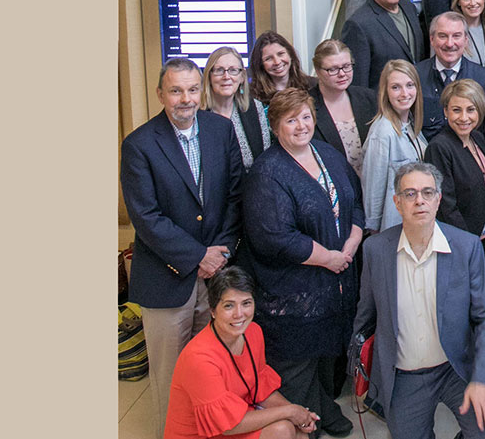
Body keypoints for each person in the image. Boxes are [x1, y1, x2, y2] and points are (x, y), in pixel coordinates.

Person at [122, 59, 245, 431]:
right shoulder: (139, 144)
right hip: (166, 279)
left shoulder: (221, 130)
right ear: (160, 94)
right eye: (175, 91)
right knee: (172, 377)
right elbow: (146, 216)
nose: (186, 99)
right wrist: (197, 257)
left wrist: (220, 252)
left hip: (217, 275)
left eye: (192, 89)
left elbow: (235, 196)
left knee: (214, 371)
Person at [239, 88, 363, 438]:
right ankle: (304, 423)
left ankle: (323, 410)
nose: (301, 126)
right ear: (275, 126)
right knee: (298, 366)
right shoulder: (267, 172)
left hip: (335, 280)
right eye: (291, 120)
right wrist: (328, 258)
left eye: (306, 117)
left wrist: (353, 241)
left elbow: (354, 200)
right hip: (294, 292)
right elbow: (274, 237)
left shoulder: (326, 153)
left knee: (324, 359)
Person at [349, 162, 485, 439]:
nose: (419, 200)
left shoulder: (467, 247)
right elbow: (366, 313)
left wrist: (482, 379)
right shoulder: (376, 250)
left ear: (438, 199)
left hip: (456, 367)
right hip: (405, 374)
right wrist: (358, 361)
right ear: (397, 203)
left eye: (427, 192)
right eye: (410, 194)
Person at [163, 267, 319, 439]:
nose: (239, 314)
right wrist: (290, 411)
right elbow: (226, 426)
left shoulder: (253, 332)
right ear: (213, 311)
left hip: (236, 416)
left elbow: (260, 388)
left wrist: (299, 415)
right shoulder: (199, 358)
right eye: (229, 306)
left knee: (297, 430)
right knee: (282, 430)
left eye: (246, 303)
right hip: (210, 432)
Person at [423, 78, 485, 274]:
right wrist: (467, 243)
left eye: (470, 110)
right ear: (445, 111)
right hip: (462, 243)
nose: (464, 117)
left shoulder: (477, 138)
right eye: (456, 110)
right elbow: (446, 206)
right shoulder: (439, 147)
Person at [342, 0, 427, 91]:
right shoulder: (358, 25)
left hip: (413, 95)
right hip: (382, 101)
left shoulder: (408, 7)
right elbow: (358, 85)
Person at [360, 60, 426, 233]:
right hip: (392, 229)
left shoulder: (411, 124)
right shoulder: (383, 132)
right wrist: (374, 232)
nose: (405, 93)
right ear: (385, 92)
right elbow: (373, 188)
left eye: (410, 85)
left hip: (413, 224)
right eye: (396, 87)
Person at [413, 12, 485, 140]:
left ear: (466, 40)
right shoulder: (413, 77)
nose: (449, 43)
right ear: (432, 39)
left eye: (456, 36)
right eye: (443, 36)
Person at [309, 39, 377, 177]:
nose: (342, 74)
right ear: (317, 70)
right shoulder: (306, 105)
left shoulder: (369, 98)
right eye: (333, 69)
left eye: (346, 66)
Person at [201, 47, 271, 169]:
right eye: (219, 70)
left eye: (233, 70)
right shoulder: (197, 114)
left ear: (242, 76)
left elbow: (264, 159)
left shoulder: (255, 108)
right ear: (209, 76)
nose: (226, 76)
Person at [249, 31, 313, 107]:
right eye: (268, 58)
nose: (277, 62)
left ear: (290, 54)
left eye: (281, 54)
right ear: (260, 64)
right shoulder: (252, 96)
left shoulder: (312, 86)